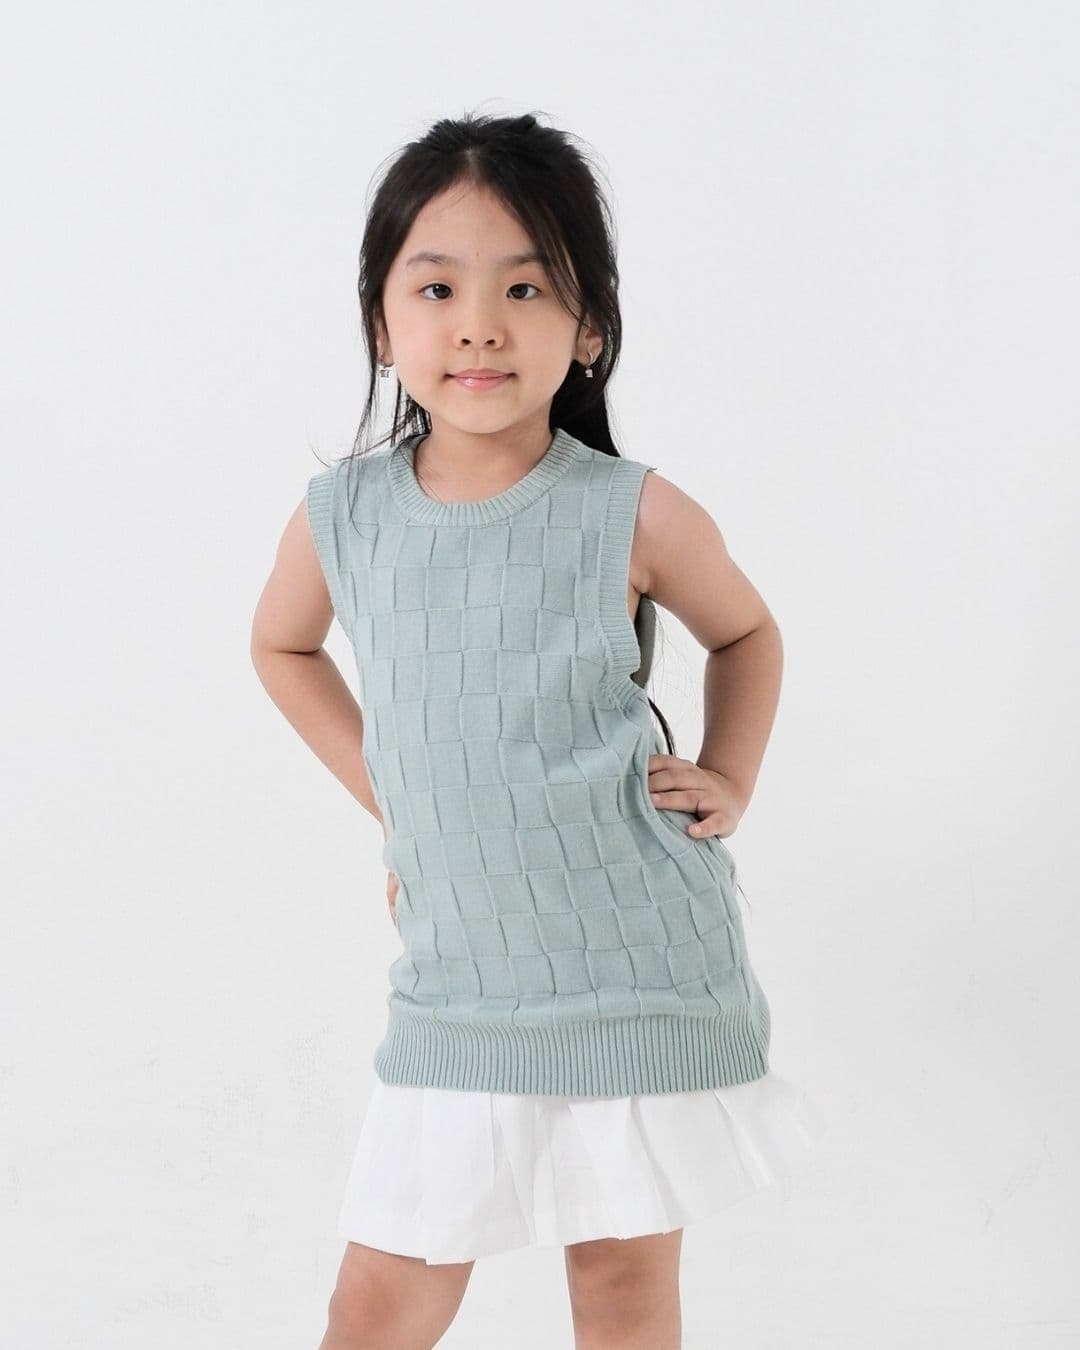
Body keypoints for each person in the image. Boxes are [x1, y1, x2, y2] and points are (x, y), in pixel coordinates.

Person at [250, 109, 828, 1350]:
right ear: (381, 323)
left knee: (620, 1285)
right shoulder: (342, 516)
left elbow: (747, 633)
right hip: (458, 982)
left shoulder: (632, 511)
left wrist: (728, 774)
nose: (479, 325)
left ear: (590, 325)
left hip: (636, 962)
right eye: (437, 288)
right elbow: (281, 648)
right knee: (380, 1295)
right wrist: (401, 802)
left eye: (524, 287)